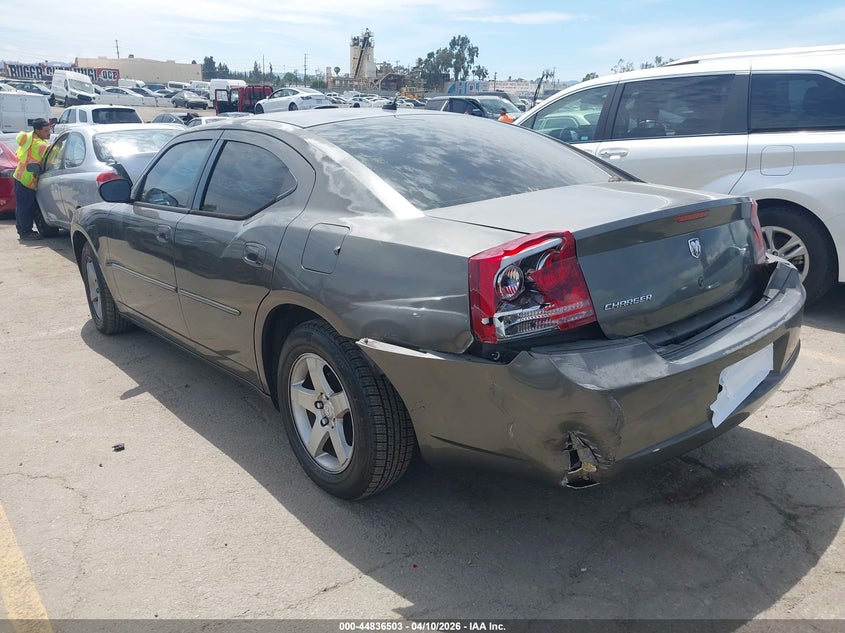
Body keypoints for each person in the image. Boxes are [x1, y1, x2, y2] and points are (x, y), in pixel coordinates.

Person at [13, 118, 52, 241]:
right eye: (46, 131)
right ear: (37, 131)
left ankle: (22, 229)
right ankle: (26, 232)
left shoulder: (31, 138)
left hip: (20, 176)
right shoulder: (39, 144)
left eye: (49, 129)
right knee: (26, 207)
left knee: (22, 206)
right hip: (26, 179)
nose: (49, 133)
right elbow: (54, 154)